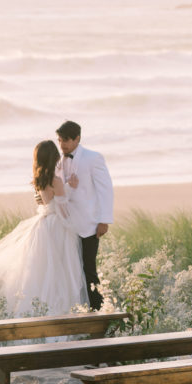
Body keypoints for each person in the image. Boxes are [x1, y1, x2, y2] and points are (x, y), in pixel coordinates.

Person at [0, 140, 88, 317]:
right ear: (54, 157)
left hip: (42, 225)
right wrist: (72, 194)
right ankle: (62, 311)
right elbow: (62, 208)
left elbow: (48, 201)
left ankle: (38, 310)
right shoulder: (55, 180)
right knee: (62, 272)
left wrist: (66, 189)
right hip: (56, 226)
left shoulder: (39, 180)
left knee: (41, 272)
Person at [56, 120, 113, 310]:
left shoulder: (93, 158)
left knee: (89, 269)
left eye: (66, 141)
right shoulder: (58, 160)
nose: (62, 145)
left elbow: (105, 189)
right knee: (70, 271)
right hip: (66, 224)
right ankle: (77, 308)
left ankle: (98, 309)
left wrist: (104, 220)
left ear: (77, 139)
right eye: (60, 140)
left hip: (89, 224)